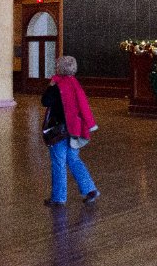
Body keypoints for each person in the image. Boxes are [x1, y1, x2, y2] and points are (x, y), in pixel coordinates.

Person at [41, 55, 100, 206]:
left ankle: (58, 197)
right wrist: (89, 124)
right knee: (73, 159)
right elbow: (83, 105)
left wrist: (50, 85)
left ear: (60, 68)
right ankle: (90, 189)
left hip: (59, 130)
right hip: (74, 129)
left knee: (58, 162)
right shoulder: (75, 83)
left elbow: (45, 101)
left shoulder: (57, 85)